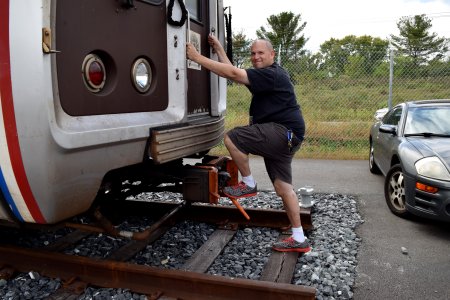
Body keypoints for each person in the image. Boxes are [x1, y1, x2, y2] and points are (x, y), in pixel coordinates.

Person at [186, 35, 310, 253]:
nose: (256, 57)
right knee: (283, 188)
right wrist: (219, 50)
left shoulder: (273, 75)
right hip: (287, 137)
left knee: (233, 137)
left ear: (272, 54)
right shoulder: (266, 76)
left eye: (261, 53)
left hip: (283, 132)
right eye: (253, 53)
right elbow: (235, 72)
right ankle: (299, 238)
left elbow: (233, 73)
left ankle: (248, 183)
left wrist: (197, 58)